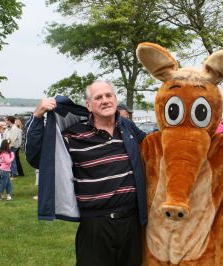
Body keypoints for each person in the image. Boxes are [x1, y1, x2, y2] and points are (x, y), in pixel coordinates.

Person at [25, 80, 148, 265]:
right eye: (98, 97)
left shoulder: (128, 128)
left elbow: (154, 150)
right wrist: (37, 117)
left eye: (109, 95)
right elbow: (37, 159)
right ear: (89, 105)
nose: (105, 100)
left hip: (132, 223)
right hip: (94, 227)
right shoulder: (73, 136)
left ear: (115, 99)